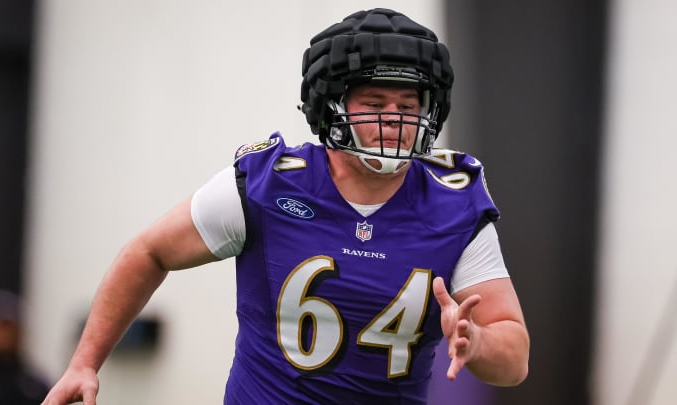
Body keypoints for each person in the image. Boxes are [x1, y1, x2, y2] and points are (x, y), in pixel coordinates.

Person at [41, 8, 529, 404]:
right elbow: (149, 252)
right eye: (375, 103)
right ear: (330, 104)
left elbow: (515, 357)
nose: (394, 120)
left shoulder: (453, 201)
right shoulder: (269, 184)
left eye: (408, 104)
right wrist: (84, 362)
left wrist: (479, 343)